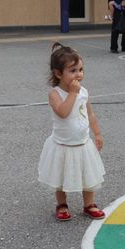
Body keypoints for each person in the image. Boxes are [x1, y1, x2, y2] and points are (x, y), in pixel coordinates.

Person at [38, 42, 106, 221]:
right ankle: (62, 204)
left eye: (81, 69)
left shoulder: (83, 92)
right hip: (62, 144)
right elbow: (62, 112)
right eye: (73, 70)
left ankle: (89, 204)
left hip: (83, 143)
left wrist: (97, 133)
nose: (79, 74)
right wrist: (73, 94)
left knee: (88, 175)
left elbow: (90, 114)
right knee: (60, 176)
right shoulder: (55, 94)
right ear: (58, 73)